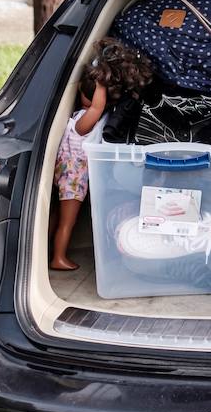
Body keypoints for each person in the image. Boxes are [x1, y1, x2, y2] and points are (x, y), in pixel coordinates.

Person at [50, 37, 153, 271]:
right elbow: (97, 108)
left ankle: (52, 251)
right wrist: (101, 84)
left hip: (72, 179)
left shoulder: (87, 118)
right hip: (73, 182)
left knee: (59, 218)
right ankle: (58, 257)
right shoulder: (81, 123)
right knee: (68, 221)